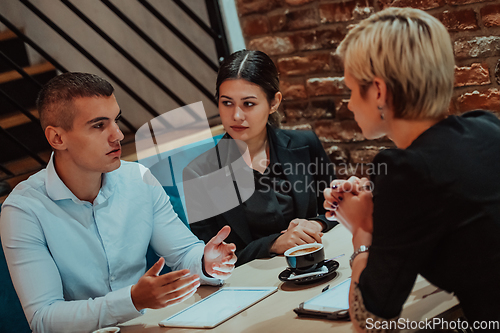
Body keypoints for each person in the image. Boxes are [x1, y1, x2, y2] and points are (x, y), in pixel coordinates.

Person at [0, 72, 237, 333]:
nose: (118, 135)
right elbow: (44, 318)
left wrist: (206, 261)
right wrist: (132, 301)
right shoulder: (23, 209)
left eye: (116, 120)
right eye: (99, 126)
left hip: (151, 326)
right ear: (57, 138)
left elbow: (182, 254)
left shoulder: (138, 179)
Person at [323, 7, 500, 331]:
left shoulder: (406, 170)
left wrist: (363, 230)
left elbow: (371, 317)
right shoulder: (486, 127)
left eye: (350, 89)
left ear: (378, 91)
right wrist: (385, 209)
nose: (348, 103)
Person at [183, 50, 338, 266]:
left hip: (321, 262)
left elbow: (338, 209)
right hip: (255, 286)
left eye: (248, 104)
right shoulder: (199, 173)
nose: (236, 115)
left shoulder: (305, 144)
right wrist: (273, 244)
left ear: (274, 102)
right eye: (227, 103)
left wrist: (318, 225)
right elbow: (209, 260)